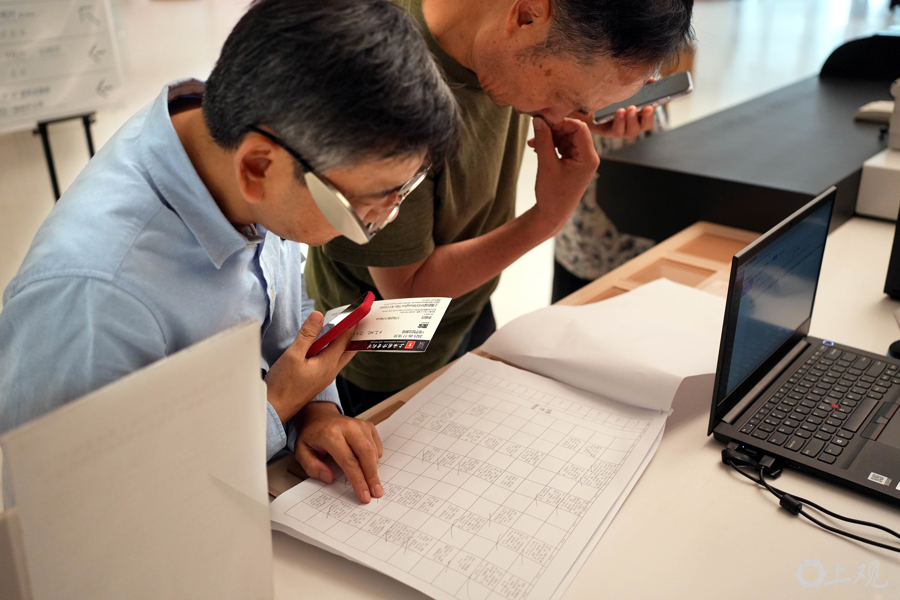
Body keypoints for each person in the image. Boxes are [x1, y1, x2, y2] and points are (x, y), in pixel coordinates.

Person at [0, 0, 460, 505]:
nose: (376, 223)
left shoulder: (239, 136)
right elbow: (73, 503)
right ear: (257, 168)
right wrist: (277, 403)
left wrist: (316, 410)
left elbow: (282, 304)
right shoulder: (95, 295)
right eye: (360, 208)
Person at [306, 0, 695, 415]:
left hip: (469, 304)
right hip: (380, 352)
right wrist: (546, 218)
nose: (562, 117)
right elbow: (408, 288)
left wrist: (582, 110)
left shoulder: (495, 45)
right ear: (526, 16)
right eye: (565, 98)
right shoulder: (382, 88)